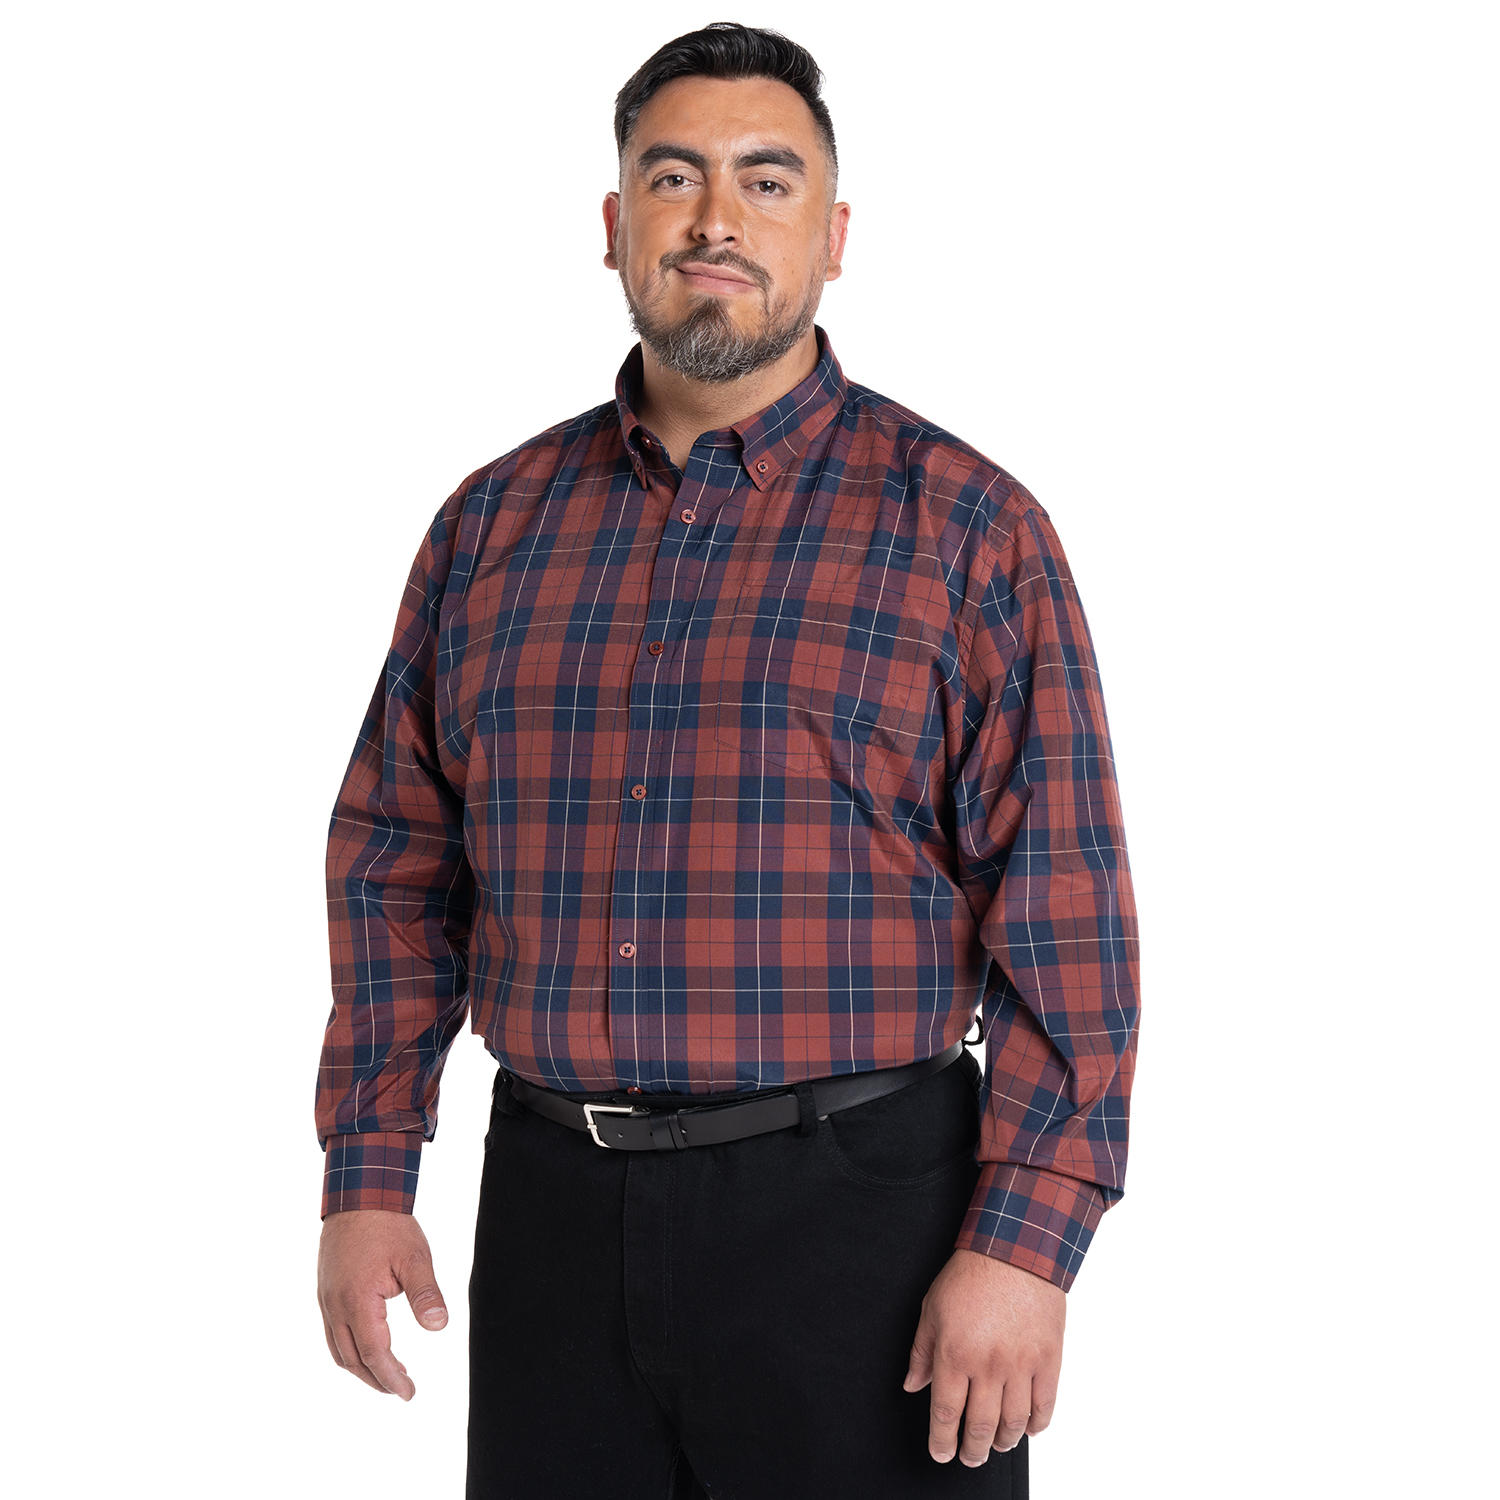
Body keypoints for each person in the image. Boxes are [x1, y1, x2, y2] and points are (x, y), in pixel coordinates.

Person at [314, 21, 1140, 1498]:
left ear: (834, 235)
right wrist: (369, 1175)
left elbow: (1064, 914)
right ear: (615, 225)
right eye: (673, 176)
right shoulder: (492, 527)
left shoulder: (969, 531)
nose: (715, 219)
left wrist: (1027, 1246)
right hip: (555, 1213)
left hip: (867, 1230)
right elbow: (396, 864)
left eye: (766, 181)